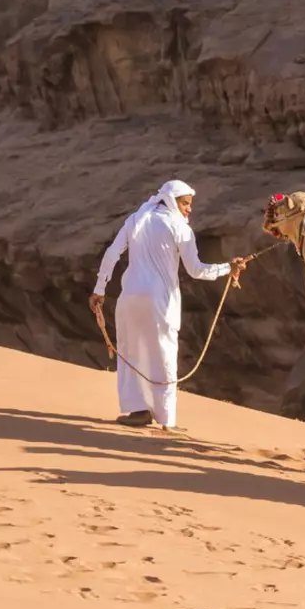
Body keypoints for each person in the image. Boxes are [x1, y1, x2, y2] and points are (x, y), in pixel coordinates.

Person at [90, 180, 251, 430]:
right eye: (185, 204)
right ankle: (167, 420)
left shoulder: (137, 218)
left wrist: (99, 289)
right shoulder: (179, 227)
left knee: (132, 352)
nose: (189, 210)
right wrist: (227, 268)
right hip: (158, 301)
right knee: (163, 354)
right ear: (172, 201)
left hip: (129, 298)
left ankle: (138, 411)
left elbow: (112, 253)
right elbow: (196, 270)